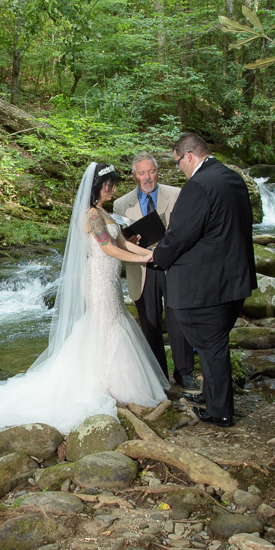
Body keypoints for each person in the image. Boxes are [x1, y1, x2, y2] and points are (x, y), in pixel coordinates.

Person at [0, 162, 169, 434]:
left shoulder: (102, 213)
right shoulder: (91, 216)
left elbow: (121, 243)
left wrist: (147, 255)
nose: (115, 189)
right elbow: (108, 250)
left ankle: (112, 381)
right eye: (111, 184)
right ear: (99, 186)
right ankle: (108, 384)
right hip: (98, 278)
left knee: (112, 323)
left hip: (108, 278)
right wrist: (144, 258)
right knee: (106, 325)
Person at [152, 134, 257, 428]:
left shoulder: (198, 185)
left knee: (211, 346)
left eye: (177, 162)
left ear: (187, 156)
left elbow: (180, 235)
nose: (179, 169)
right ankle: (211, 397)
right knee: (215, 342)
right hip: (234, 280)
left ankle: (221, 411)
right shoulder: (233, 178)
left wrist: (158, 256)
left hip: (206, 287)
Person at [113, 152, 198, 391]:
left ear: (157, 171)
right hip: (142, 270)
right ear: (134, 176)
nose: (147, 177)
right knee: (150, 323)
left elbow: (188, 230)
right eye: (142, 173)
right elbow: (120, 241)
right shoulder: (121, 204)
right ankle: (158, 375)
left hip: (172, 266)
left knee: (177, 319)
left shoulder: (176, 194)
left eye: (151, 171)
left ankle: (183, 372)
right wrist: (128, 238)